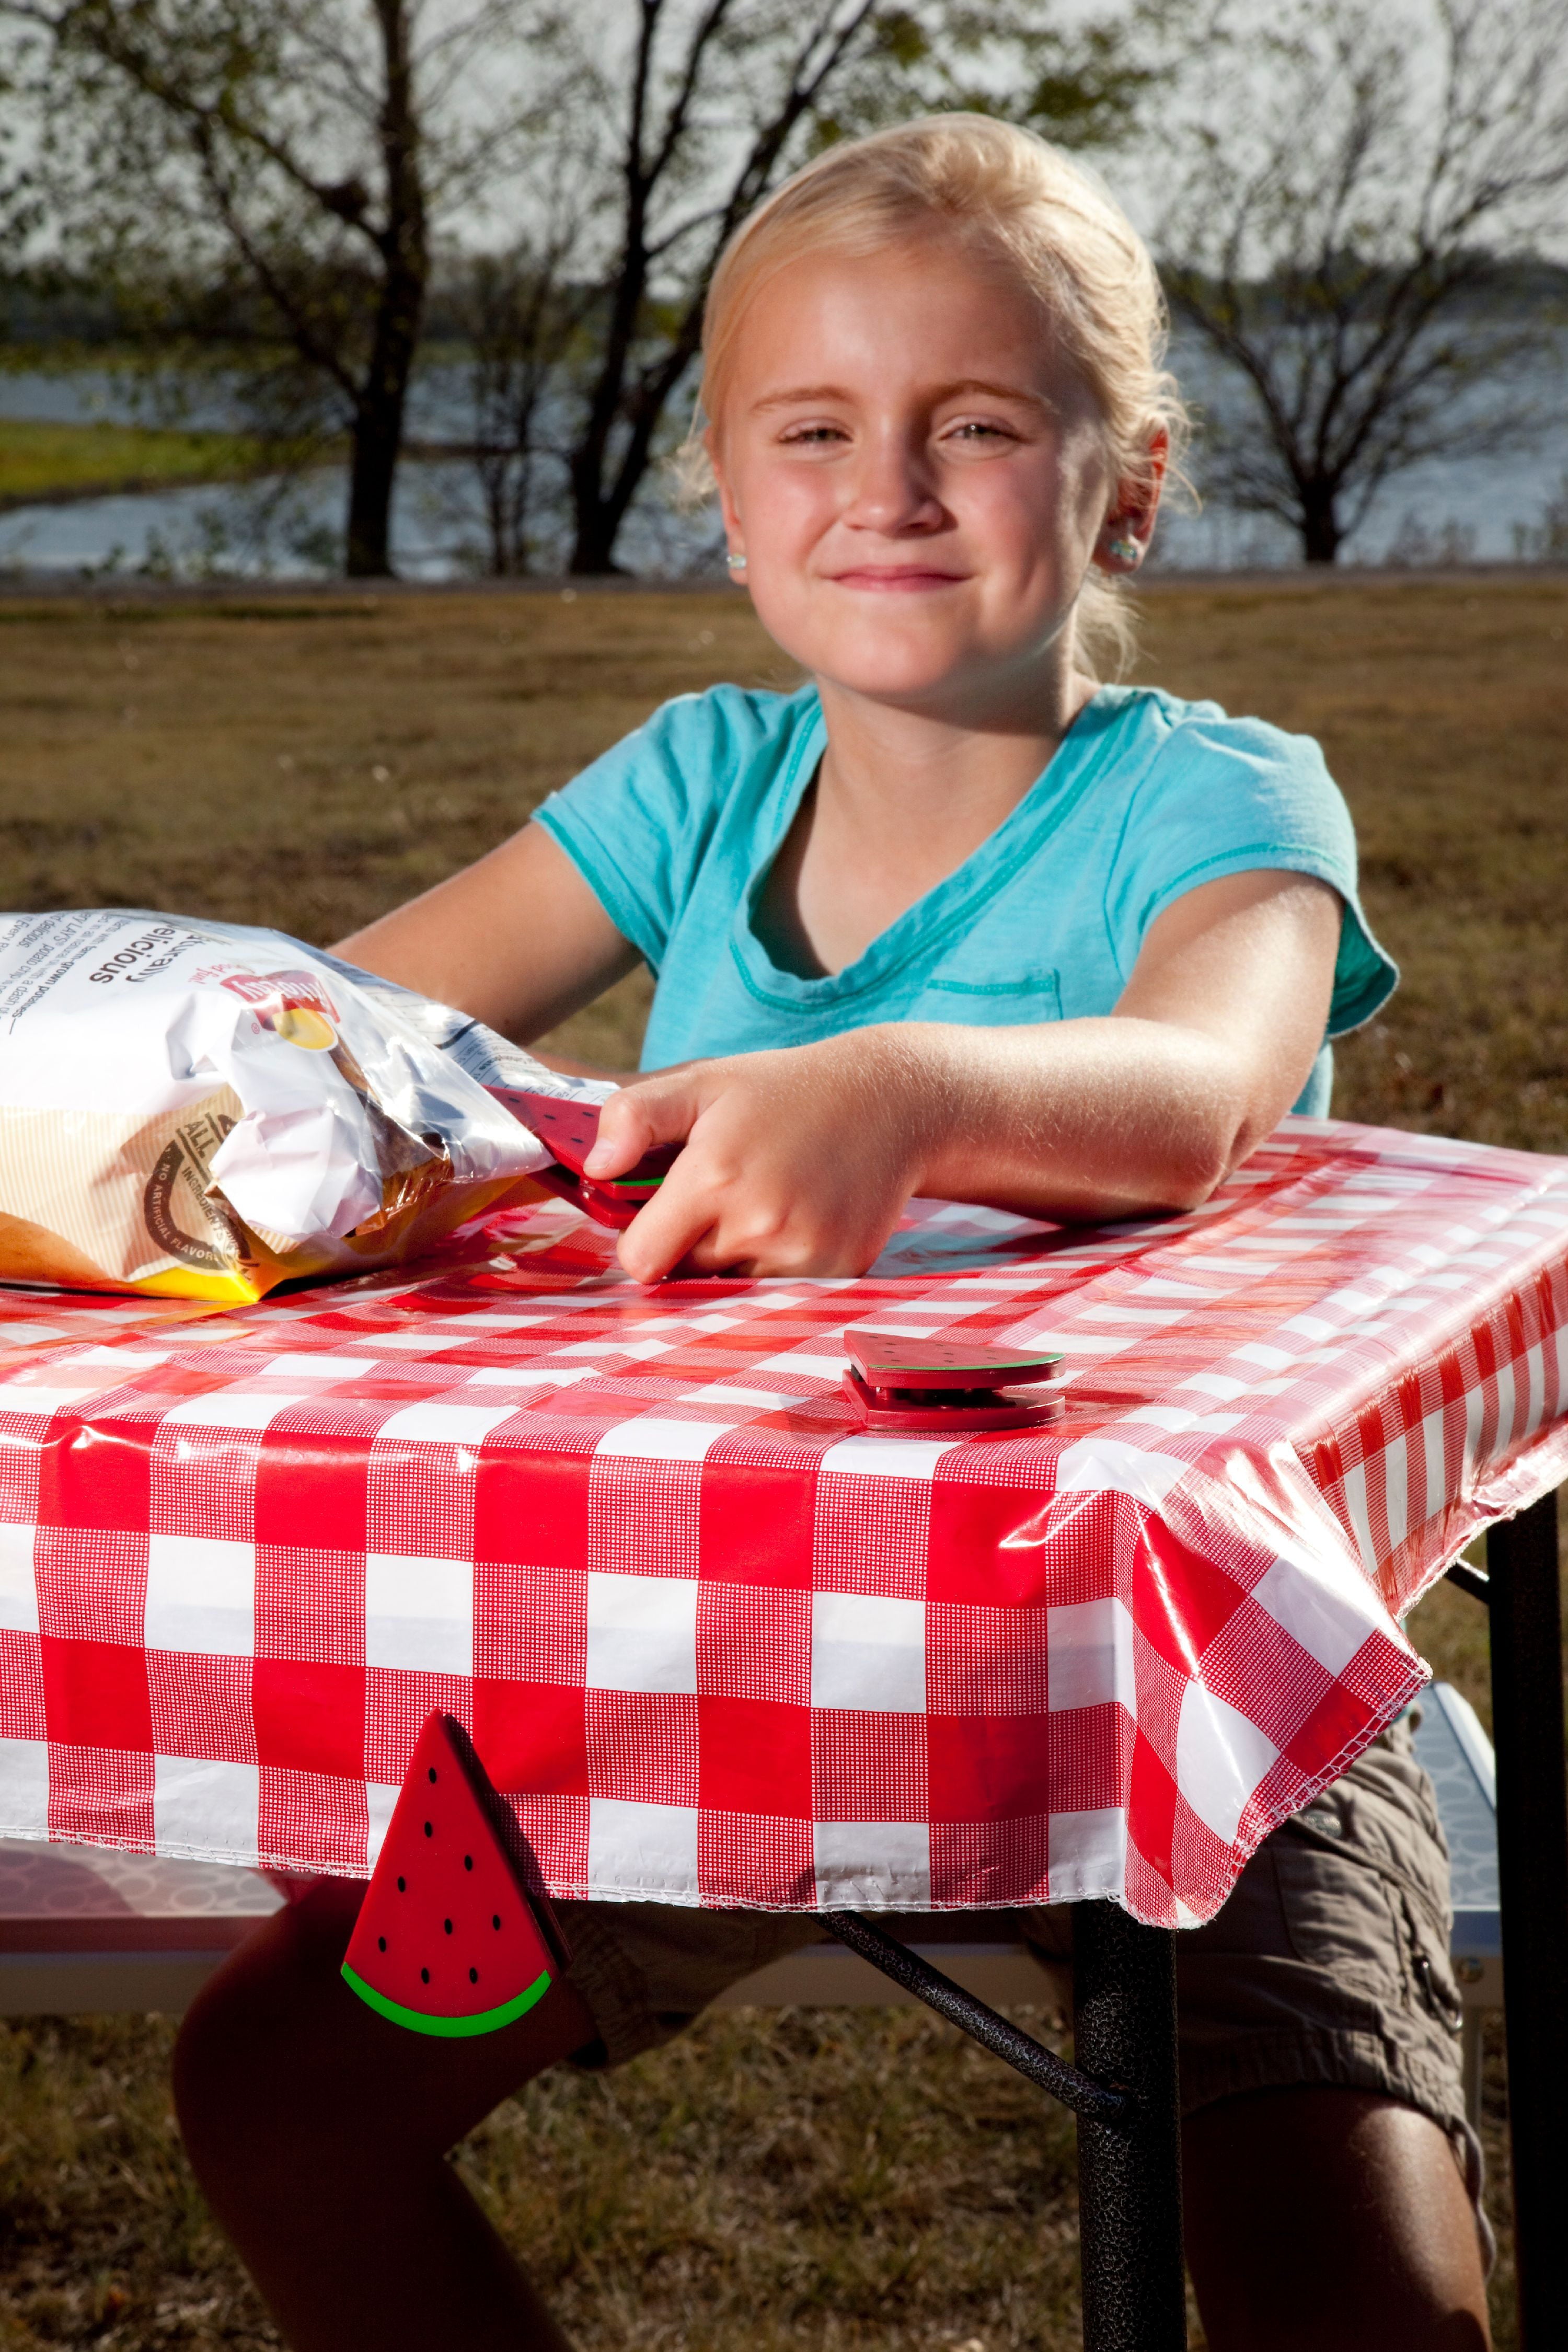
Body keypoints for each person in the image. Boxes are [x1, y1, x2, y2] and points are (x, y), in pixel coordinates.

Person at [171, 116, 1490, 2351]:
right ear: (727, 481)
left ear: (1128, 483)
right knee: (284, 2091)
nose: (887, 485)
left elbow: (1203, 1087)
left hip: (1191, 1680)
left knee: (1341, 2272)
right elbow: (321, 1031)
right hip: (700, 1686)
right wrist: (142, 1086)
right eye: (817, 428)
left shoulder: (1221, 795)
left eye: (975, 426)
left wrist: (902, 1086)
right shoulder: (692, 788)